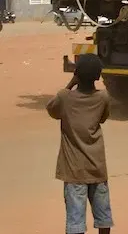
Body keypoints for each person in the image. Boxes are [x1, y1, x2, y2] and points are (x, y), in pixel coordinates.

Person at [46, 54, 114, 234]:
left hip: (74, 169)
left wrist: (70, 84)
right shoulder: (103, 97)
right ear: (98, 76)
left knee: (75, 219)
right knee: (103, 216)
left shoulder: (65, 97)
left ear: (75, 74)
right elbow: (102, 118)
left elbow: (51, 109)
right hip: (97, 167)